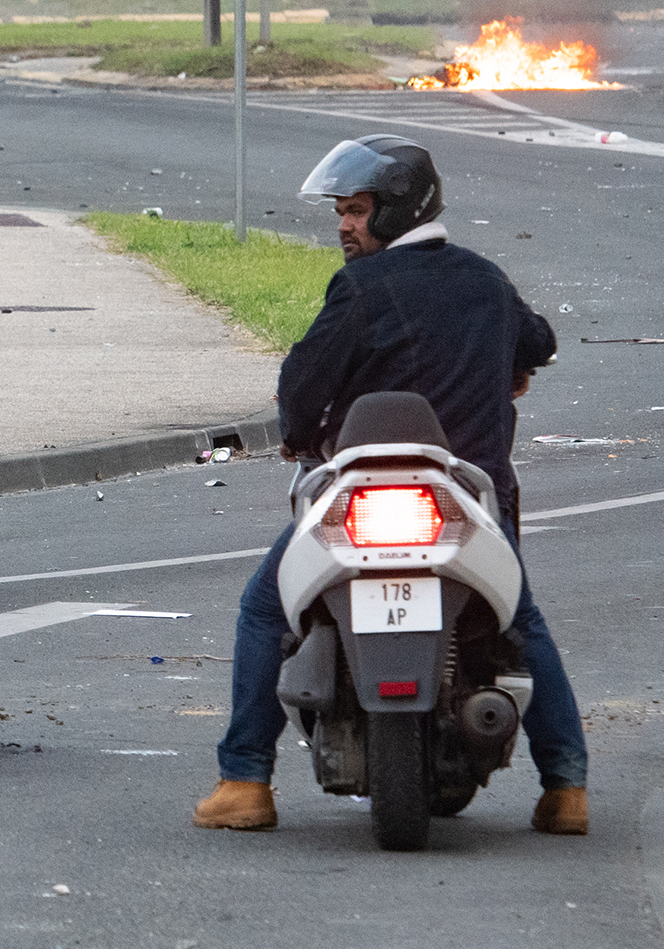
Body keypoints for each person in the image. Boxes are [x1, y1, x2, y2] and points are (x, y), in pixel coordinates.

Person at [193, 135, 591, 838]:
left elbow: (301, 385)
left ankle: (245, 780)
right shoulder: (486, 280)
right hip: (467, 502)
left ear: (399, 211)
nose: (344, 225)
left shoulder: (360, 289)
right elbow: (539, 343)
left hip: (361, 501)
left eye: (356, 211)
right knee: (517, 622)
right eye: (341, 211)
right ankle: (566, 790)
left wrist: (298, 433)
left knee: (266, 611)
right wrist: (506, 369)